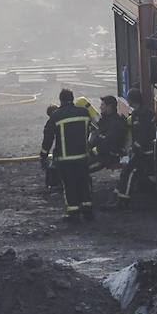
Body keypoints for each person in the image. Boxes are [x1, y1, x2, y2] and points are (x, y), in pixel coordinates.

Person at [41, 88, 94, 223]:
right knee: (83, 182)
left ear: (61, 100)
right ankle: (88, 211)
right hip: (82, 156)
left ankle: (74, 213)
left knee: (70, 185)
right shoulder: (84, 112)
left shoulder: (56, 116)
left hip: (65, 158)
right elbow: (90, 130)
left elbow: (48, 137)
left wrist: (43, 155)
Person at [115, 87, 156, 206]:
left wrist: (135, 148)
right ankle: (118, 195)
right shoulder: (138, 113)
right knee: (127, 172)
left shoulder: (144, 114)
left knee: (130, 172)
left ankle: (123, 199)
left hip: (145, 152)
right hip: (141, 151)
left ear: (132, 100)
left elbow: (144, 134)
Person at [89, 95, 129, 174]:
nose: (100, 107)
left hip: (107, 158)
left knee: (82, 168)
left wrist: (94, 151)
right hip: (100, 154)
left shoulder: (116, 124)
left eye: (102, 105)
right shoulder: (106, 120)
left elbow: (108, 143)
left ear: (109, 107)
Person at [41, 104, 62, 193]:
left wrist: (43, 155)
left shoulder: (52, 120)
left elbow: (48, 140)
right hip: (82, 149)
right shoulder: (75, 113)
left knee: (55, 162)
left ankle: (55, 183)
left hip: (63, 152)